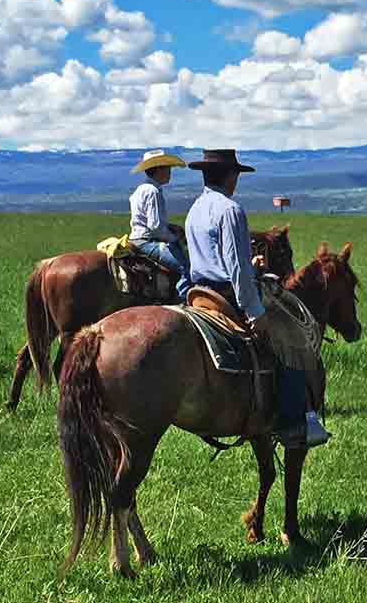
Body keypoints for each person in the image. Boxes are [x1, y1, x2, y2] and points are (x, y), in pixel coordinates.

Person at [185, 149, 329, 448]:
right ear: (231, 175)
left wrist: (251, 267)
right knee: (293, 339)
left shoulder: (195, 209)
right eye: (236, 174)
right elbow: (235, 270)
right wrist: (254, 312)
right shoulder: (230, 210)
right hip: (228, 293)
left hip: (201, 291)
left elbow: (212, 259)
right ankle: (294, 424)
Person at [129, 149, 190, 299]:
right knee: (187, 268)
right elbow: (155, 227)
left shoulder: (141, 189)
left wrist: (170, 227)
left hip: (137, 238)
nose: (170, 172)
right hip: (146, 241)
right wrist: (174, 238)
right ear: (159, 170)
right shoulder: (152, 191)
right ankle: (182, 301)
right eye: (167, 168)